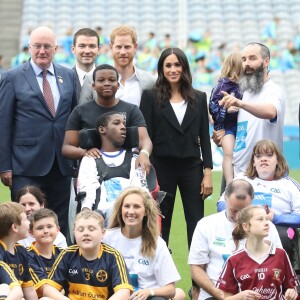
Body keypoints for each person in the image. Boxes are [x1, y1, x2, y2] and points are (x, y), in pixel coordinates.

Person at [0, 26, 78, 237]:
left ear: (56, 48)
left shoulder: (69, 76)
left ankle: (59, 267)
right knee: (24, 223)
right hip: (25, 165)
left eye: (47, 46)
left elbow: (74, 120)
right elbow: (4, 124)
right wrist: (5, 166)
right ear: (29, 47)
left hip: (61, 165)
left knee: (58, 223)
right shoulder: (11, 77)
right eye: (37, 46)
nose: (42, 51)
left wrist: (77, 163)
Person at [140, 47, 213, 248]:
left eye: (177, 65)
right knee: (161, 222)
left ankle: (198, 278)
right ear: (161, 69)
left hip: (192, 168)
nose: (173, 69)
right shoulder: (150, 97)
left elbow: (204, 138)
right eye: (168, 65)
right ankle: (160, 275)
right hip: (161, 168)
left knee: (196, 223)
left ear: (184, 67)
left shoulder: (199, 97)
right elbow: (146, 135)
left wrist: (207, 172)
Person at [188, 179, 283, 300]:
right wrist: (220, 295)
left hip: (259, 293)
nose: (238, 216)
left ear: (252, 201)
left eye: (244, 211)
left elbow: (279, 264)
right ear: (225, 199)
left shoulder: (268, 227)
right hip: (217, 293)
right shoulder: (206, 225)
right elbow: (196, 268)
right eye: (234, 210)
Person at [217, 139, 300, 264]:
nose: (263, 159)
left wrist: (276, 218)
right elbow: (222, 203)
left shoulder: (289, 185)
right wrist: (240, 214)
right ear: (253, 162)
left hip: (277, 229)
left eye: (269, 155)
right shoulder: (242, 179)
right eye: (258, 156)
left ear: (277, 160)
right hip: (243, 226)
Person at [62, 64, 152, 173]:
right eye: (101, 80)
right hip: (92, 171)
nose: (107, 83)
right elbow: (67, 147)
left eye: (112, 80)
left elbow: (144, 140)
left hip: (126, 170)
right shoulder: (80, 111)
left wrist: (144, 154)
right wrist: (84, 152)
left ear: (118, 85)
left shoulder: (132, 109)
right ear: (93, 85)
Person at [215, 42, 285, 176]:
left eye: (252, 58)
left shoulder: (273, 90)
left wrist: (241, 104)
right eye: (244, 59)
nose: (246, 63)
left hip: (264, 175)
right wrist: (222, 135)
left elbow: (271, 111)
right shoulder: (244, 93)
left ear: (266, 62)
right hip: (238, 172)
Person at [104, 186, 186, 300]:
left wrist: (149, 292)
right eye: (127, 206)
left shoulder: (157, 243)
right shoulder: (107, 238)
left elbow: (171, 289)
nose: (131, 211)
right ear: (120, 209)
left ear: (146, 212)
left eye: (137, 207)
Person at [43, 210, 132, 300]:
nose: (85, 233)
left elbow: (124, 292)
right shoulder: (67, 254)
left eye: (91, 229)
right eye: (80, 230)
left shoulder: (113, 256)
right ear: (74, 233)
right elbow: (48, 289)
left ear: (103, 233)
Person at [216, 205, 299, 300]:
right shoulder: (233, 260)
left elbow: (291, 288)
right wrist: (240, 297)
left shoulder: (281, 254)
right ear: (246, 226)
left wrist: (291, 293)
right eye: (260, 219)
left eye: (266, 219)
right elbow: (225, 297)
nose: (266, 223)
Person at [77, 112, 148, 222]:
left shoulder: (134, 159)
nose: (123, 127)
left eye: (124, 124)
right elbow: (87, 188)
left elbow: (141, 190)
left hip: (129, 214)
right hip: (100, 215)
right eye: (117, 123)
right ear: (102, 130)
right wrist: (86, 214)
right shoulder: (90, 159)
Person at [79, 25, 156, 107]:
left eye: (127, 47)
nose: (123, 52)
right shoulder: (91, 79)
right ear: (111, 48)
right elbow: (83, 114)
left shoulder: (149, 81)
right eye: (118, 47)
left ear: (135, 47)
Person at [209, 52, 243, 186]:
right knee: (229, 154)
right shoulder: (223, 84)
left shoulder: (246, 86)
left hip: (242, 126)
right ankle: (230, 184)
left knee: (237, 155)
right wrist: (226, 110)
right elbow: (213, 106)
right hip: (227, 127)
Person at [0, 202, 38, 299]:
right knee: (4, 288)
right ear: (15, 227)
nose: (29, 223)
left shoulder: (21, 251)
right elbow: (17, 292)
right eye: (26, 219)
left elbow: (29, 289)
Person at [27, 208, 63, 297]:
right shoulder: (26, 255)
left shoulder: (64, 254)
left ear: (58, 229)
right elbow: (43, 288)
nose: (46, 231)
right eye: (40, 228)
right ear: (31, 232)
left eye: (49, 226)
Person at [71, 28, 100, 102]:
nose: (87, 51)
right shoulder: (64, 80)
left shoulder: (107, 80)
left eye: (92, 46)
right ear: (73, 49)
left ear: (99, 50)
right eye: (82, 46)